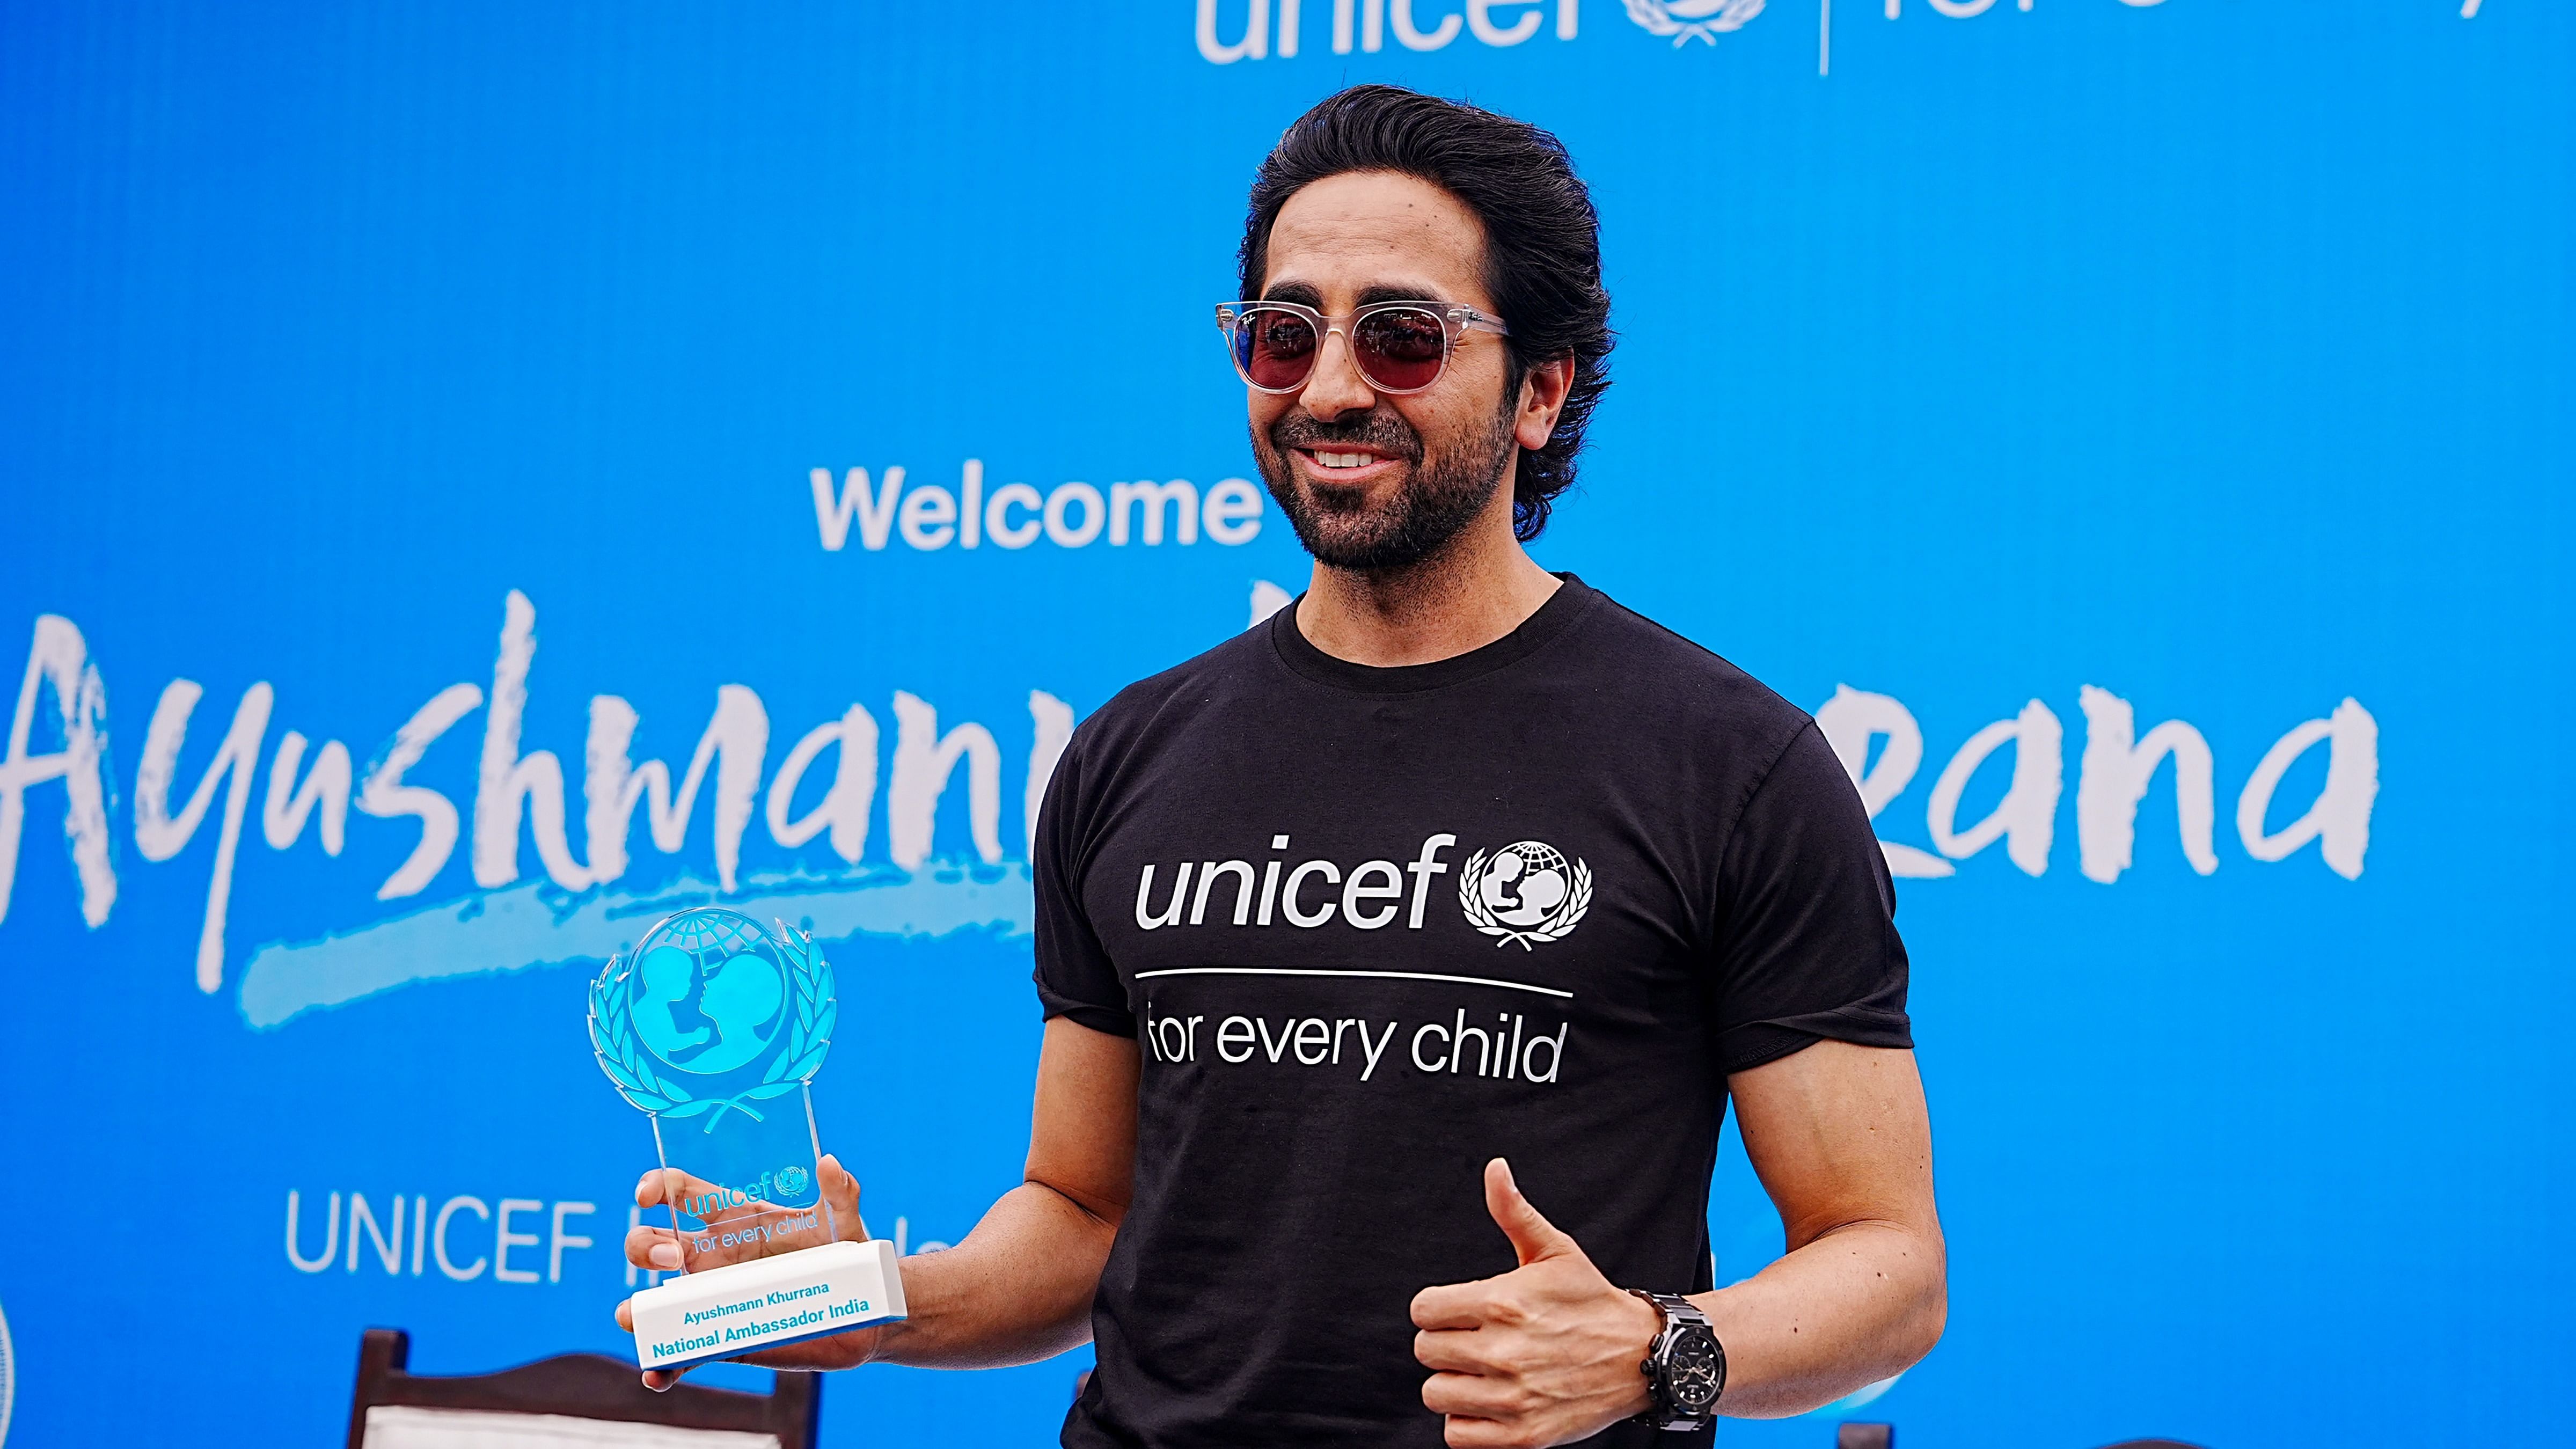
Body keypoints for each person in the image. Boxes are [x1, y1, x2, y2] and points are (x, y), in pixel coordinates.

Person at [621, 83, 1945, 1448]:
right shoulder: (1132, 754)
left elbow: (1888, 1264)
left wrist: (1658, 1347)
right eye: (1282, 333)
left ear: (1541, 390)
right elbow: (1086, 1215)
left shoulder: (1729, 764)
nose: (1328, 388)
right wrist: (886, 1299)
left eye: (1404, 339)